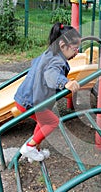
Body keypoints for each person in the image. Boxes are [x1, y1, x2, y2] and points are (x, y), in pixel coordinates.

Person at [14, 22, 81, 162]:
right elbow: (51, 75)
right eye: (75, 49)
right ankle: (30, 147)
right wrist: (66, 83)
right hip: (31, 102)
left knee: (43, 121)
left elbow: (36, 64)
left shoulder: (49, 53)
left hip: (24, 98)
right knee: (52, 122)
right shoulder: (57, 61)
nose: (77, 52)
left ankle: (35, 150)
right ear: (63, 45)